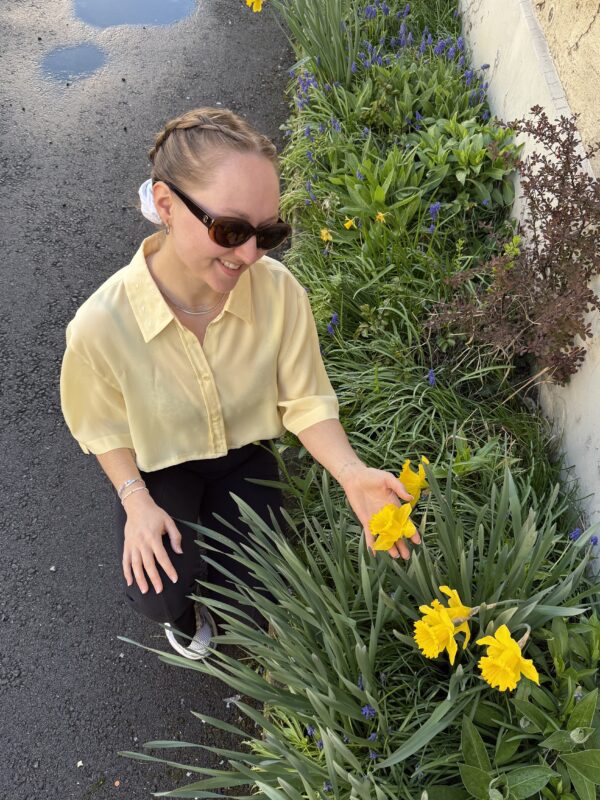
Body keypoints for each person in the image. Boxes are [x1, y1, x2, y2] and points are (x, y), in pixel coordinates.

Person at [59, 107, 419, 661]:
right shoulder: (100, 325)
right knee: (157, 588)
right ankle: (182, 616)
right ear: (166, 205)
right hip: (159, 466)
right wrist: (136, 503)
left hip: (243, 455)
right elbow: (102, 426)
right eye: (230, 230)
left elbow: (304, 399)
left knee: (258, 585)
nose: (250, 255)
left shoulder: (278, 291)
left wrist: (350, 473)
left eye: (268, 233)